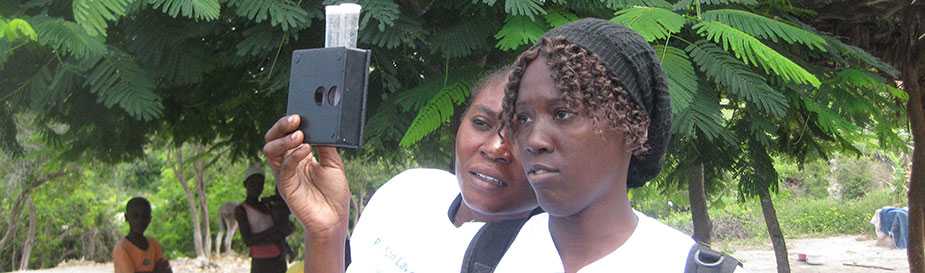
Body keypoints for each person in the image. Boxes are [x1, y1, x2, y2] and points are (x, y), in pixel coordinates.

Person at [501, 18, 743, 272]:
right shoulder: (487, 250)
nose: (534, 140)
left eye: (563, 113)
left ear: (633, 125)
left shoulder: (683, 265)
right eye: (523, 118)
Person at [262, 67, 560, 272]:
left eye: (521, 134)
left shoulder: (546, 254)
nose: (495, 148)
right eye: (481, 123)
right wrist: (326, 232)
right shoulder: (409, 189)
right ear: (458, 125)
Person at [236, 164, 292, 273]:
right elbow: (248, 240)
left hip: (278, 259)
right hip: (261, 262)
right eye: (253, 183)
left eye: (260, 184)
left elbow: (283, 231)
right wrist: (275, 230)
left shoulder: (268, 205)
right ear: (245, 184)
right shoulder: (242, 210)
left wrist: (284, 241)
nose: (257, 187)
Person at [112, 197, 172, 273]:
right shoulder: (122, 248)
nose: (140, 220)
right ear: (126, 217)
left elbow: (166, 269)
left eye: (145, 216)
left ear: (150, 219)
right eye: (135, 216)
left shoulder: (153, 244)